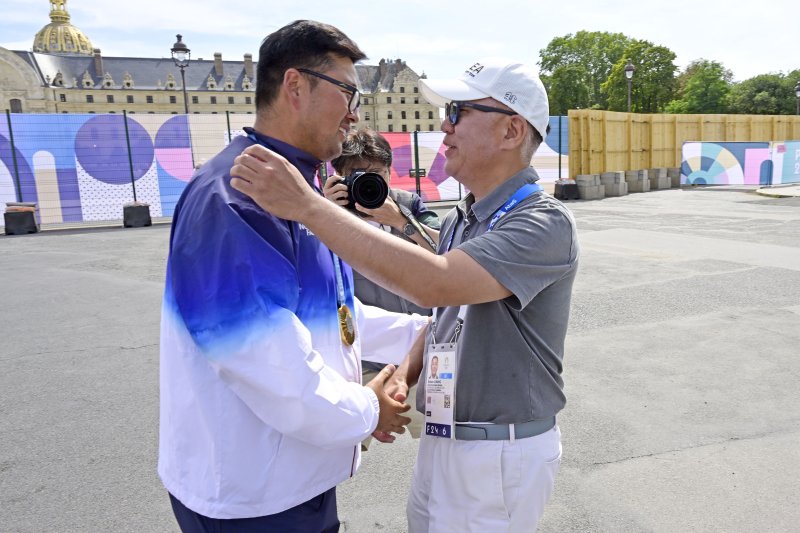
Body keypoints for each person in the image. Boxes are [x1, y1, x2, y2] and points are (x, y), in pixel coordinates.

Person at [231, 57, 579, 532]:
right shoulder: (465, 216)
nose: (444, 124)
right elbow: (444, 315)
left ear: (512, 130)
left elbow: (433, 282)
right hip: (447, 439)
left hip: (497, 453)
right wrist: (402, 378)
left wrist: (307, 206)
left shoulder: (542, 222)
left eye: (459, 111)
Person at [159, 20, 430, 532]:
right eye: (347, 91)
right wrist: (368, 409)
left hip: (292, 476)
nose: (355, 113)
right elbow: (263, 360)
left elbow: (334, 315)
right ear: (295, 86)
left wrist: (422, 332)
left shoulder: (297, 186)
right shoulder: (237, 196)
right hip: (252, 495)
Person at [324, 128, 441, 447]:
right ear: (339, 177)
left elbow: (447, 253)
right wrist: (323, 211)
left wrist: (399, 219)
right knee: (342, 452)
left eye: (376, 173)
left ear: (390, 172)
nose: (367, 182)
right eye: (356, 175)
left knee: (440, 444)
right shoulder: (328, 214)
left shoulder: (409, 205)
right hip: (361, 360)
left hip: (419, 357)